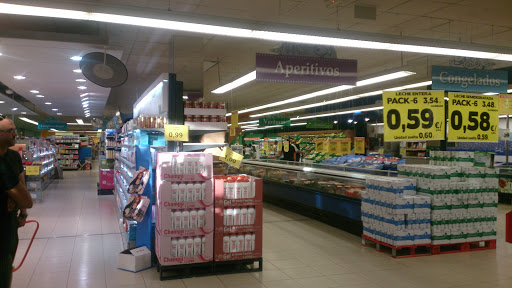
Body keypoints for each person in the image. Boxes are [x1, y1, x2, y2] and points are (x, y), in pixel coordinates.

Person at [0, 114, 33, 288]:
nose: (15, 134)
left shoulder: (13, 157)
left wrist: (23, 214)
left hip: (9, 219)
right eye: (10, 131)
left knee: (7, 259)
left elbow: (21, 185)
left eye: (14, 130)